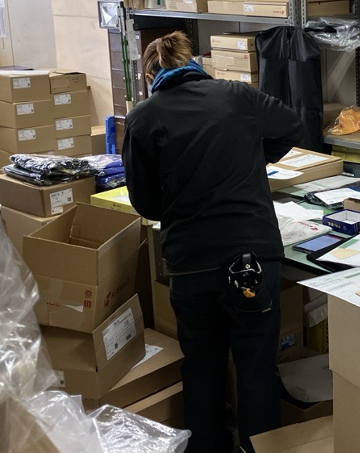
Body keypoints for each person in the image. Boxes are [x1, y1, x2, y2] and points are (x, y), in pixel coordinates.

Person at [123, 31, 305, 453]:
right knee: (256, 369)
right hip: (251, 258)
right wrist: (252, 156)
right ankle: (258, 449)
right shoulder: (237, 96)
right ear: (194, 62)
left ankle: (205, 448)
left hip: (191, 263)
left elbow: (145, 203)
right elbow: (292, 126)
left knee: (202, 366)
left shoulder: (143, 118)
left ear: (150, 75)